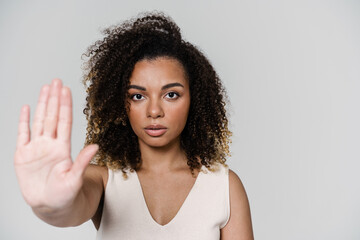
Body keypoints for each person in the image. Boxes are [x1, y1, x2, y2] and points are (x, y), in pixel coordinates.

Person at [14, 12, 254, 239]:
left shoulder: (224, 187)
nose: (154, 111)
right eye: (138, 96)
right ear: (121, 103)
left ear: (195, 99)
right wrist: (49, 204)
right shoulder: (103, 181)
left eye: (171, 95)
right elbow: (69, 207)